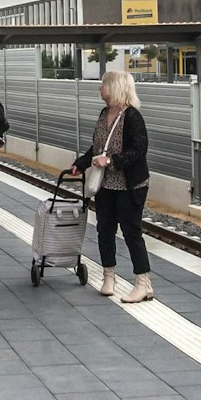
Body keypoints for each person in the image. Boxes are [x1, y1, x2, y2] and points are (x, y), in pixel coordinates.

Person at [68, 70, 152, 302]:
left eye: (103, 85)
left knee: (131, 231)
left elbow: (139, 150)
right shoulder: (105, 113)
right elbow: (98, 148)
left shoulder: (132, 117)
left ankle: (143, 283)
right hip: (105, 185)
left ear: (114, 88)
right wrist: (81, 163)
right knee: (104, 229)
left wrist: (113, 161)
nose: (100, 89)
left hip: (130, 186)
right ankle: (108, 276)